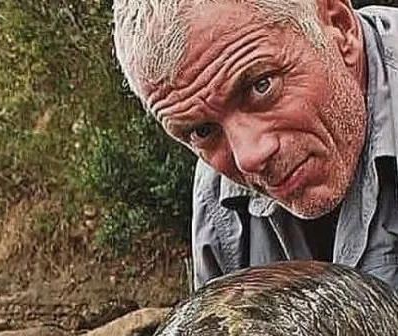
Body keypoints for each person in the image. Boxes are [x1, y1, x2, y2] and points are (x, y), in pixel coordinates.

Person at [113, 0, 398, 291]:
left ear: (339, 26)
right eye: (202, 130)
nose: (249, 157)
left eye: (261, 86)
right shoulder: (217, 202)